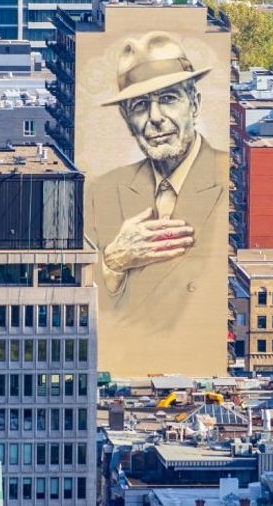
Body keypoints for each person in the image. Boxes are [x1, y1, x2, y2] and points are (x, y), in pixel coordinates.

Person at [88, 33, 226, 367]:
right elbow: (85, 309)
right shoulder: (101, 191)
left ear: (194, 103)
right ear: (126, 119)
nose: (155, 117)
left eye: (168, 99)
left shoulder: (229, 179)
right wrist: (112, 263)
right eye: (139, 106)